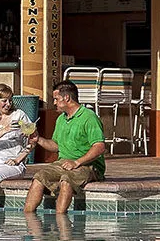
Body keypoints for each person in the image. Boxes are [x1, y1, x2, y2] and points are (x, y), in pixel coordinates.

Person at [22, 79, 106, 214]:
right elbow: (56, 146)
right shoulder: (61, 119)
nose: (54, 103)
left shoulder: (89, 117)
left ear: (66, 98)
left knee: (66, 180)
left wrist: (76, 162)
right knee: (39, 177)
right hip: (63, 163)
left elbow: (99, 147)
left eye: (56, 99)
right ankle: (29, 222)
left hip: (88, 164)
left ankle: (61, 222)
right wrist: (38, 139)